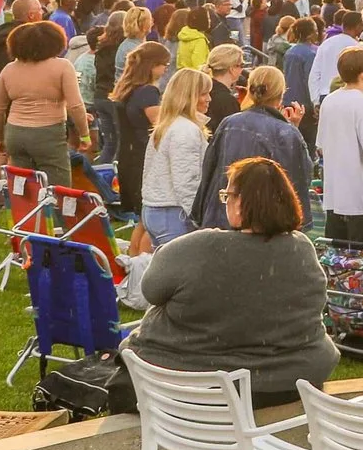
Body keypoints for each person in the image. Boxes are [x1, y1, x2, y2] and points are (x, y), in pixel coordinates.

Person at [124, 157, 337, 407]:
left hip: (189, 383)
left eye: (228, 195)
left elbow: (151, 289)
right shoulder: (301, 249)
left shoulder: (200, 247)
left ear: (241, 204)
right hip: (285, 382)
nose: (225, 202)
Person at [193, 64, 312, 228]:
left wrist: (200, 215)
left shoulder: (229, 123)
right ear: (280, 94)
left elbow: (209, 169)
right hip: (261, 223)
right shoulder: (285, 132)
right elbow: (299, 178)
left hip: (220, 217)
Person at [0, 19, 89, 187]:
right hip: (48, 133)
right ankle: (56, 213)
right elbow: (76, 106)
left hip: (15, 133)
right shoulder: (62, 67)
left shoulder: (9, 69)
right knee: (59, 187)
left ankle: (25, 213)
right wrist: (84, 134)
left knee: (23, 187)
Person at [313, 45, 363, 242]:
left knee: (337, 262)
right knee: (361, 262)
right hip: (362, 197)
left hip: (335, 195)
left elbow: (320, 147)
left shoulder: (329, 101)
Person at [138, 66, 212, 246]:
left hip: (157, 209)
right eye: (204, 94)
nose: (209, 99)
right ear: (189, 96)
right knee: (182, 272)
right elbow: (186, 181)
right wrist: (199, 219)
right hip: (173, 212)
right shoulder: (185, 130)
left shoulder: (168, 125)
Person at [109, 39, 172, 215]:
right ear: (152, 66)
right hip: (142, 151)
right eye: (164, 64)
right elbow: (159, 123)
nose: (166, 68)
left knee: (141, 217)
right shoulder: (148, 92)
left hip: (127, 151)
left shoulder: (126, 87)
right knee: (147, 213)